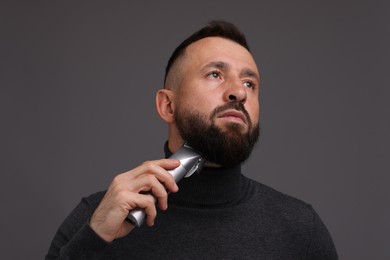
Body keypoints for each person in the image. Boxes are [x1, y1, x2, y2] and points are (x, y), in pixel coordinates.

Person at [46, 20, 338, 259]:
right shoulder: (98, 217)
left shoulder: (300, 230)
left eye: (250, 83)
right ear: (167, 106)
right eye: (215, 74)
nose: (239, 92)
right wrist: (94, 238)